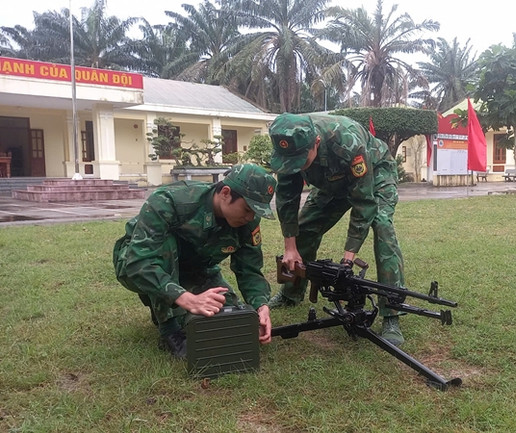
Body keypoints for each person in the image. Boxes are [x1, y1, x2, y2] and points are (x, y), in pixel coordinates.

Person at [266, 112, 406, 346]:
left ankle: (391, 313)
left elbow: (363, 201)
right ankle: (291, 293)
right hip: (332, 180)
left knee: (382, 226)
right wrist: (289, 247)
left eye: (301, 160)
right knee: (305, 227)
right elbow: (286, 198)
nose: (296, 166)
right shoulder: (290, 147)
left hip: (375, 172)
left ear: (316, 143)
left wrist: (348, 259)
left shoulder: (347, 141)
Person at [113, 164, 276, 358]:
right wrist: (187, 299)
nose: (250, 217)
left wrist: (260, 306)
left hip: (195, 266)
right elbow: (139, 262)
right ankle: (169, 329)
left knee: (228, 313)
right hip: (137, 262)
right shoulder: (170, 201)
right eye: (248, 209)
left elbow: (249, 270)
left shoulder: (247, 223)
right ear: (225, 193)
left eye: (256, 212)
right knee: (167, 245)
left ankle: (170, 302)